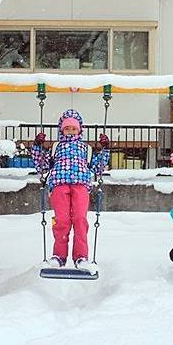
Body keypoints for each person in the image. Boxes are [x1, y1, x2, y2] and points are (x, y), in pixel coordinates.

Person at [31, 109, 110, 270]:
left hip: (80, 185)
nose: (70, 131)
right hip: (59, 185)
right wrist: (37, 146)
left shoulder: (85, 149)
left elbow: (97, 168)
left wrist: (105, 149)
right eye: (67, 128)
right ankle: (59, 256)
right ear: (62, 130)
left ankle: (81, 256)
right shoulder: (56, 147)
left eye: (74, 128)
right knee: (62, 220)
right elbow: (42, 164)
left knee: (80, 219)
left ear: (79, 130)